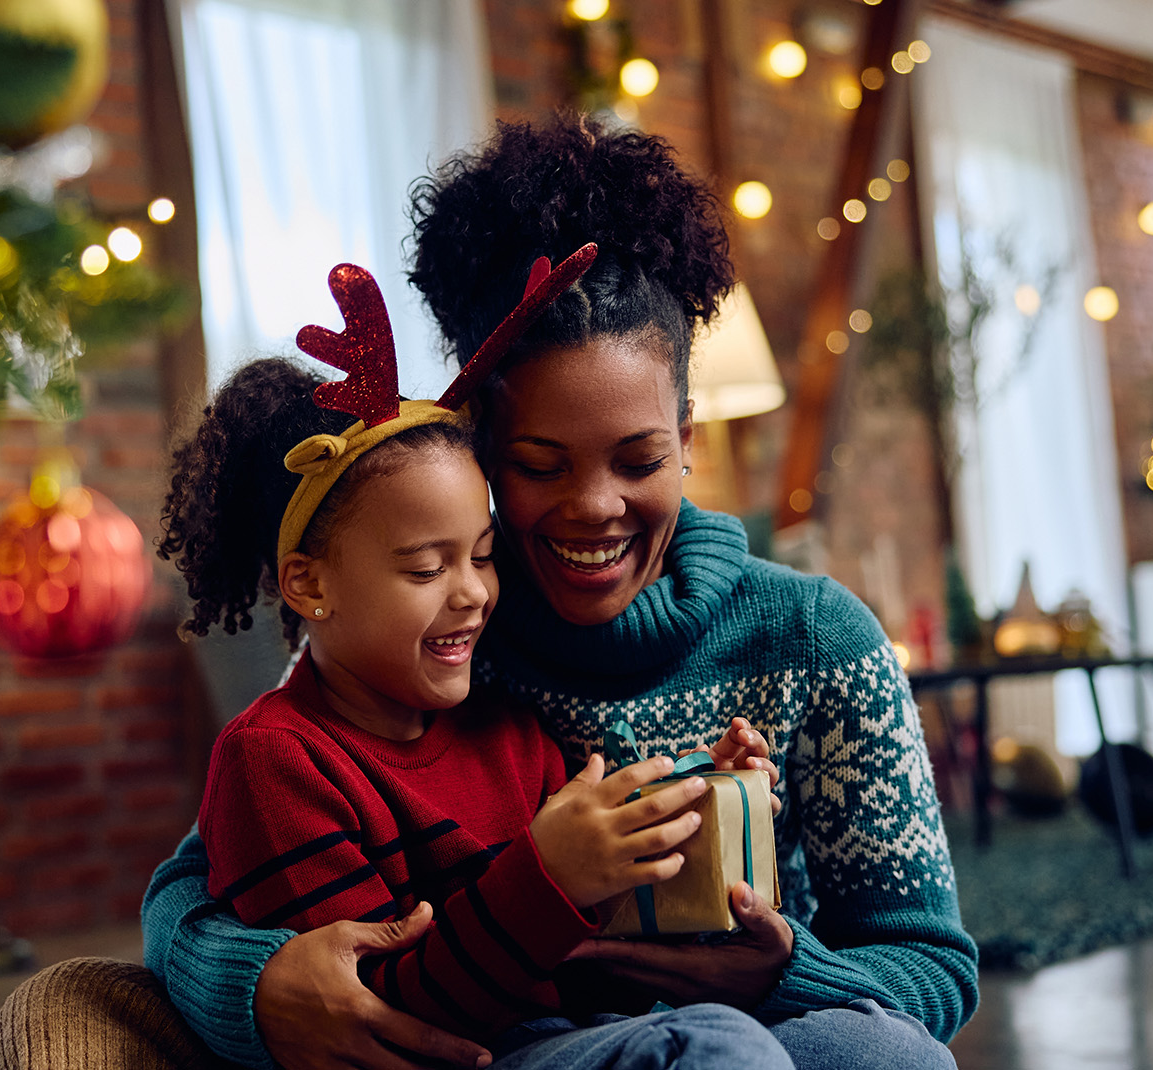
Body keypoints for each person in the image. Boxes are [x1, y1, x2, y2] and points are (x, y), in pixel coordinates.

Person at [143, 116, 976, 1070]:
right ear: (479, 447)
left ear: (688, 437)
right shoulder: (438, 646)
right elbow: (198, 876)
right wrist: (250, 983)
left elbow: (933, 965)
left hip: (754, 1027)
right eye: (539, 464)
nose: (593, 509)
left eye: (639, 459)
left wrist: (774, 967)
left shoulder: (816, 638)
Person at [160, 254, 796, 1067]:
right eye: (427, 569)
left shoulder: (508, 730)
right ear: (309, 584)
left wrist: (690, 804)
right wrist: (551, 875)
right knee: (716, 1049)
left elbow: (591, 949)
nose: (473, 595)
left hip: (572, 1038)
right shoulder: (276, 764)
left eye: (484, 556)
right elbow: (373, 1015)